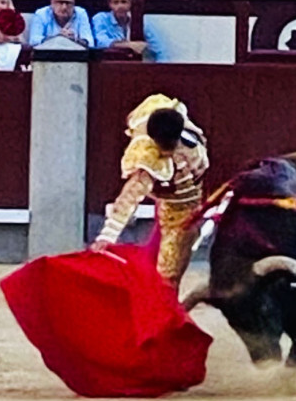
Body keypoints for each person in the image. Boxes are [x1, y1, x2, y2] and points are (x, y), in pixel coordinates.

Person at [89, 94, 210, 292]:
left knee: (165, 275)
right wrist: (107, 236)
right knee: (166, 280)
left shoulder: (186, 132)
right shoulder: (149, 157)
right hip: (177, 213)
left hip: (184, 213)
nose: (167, 151)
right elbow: (130, 197)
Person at [92, 0, 167, 61]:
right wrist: (129, 45)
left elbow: (158, 49)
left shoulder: (140, 20)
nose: (120, 6)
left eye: (123, 2)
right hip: (109, 65)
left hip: (134, 66)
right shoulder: (100, 18)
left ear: (130, 3)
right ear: (110, 4)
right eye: (116, 2)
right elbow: (100, 42)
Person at [28, 0, 96, 47]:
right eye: (60, 2)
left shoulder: (81, 13)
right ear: (52, 3)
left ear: (74, 4)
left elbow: (90, 42)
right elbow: (34, 41)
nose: (64, 7)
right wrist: (58, 38)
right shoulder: (41, 13)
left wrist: (74, 40)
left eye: (68, 3)